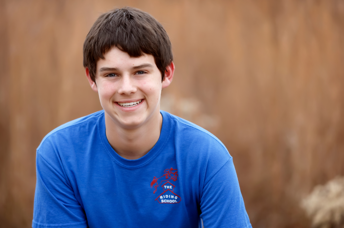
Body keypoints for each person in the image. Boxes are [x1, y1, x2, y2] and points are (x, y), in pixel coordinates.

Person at [32, 7, 252, 228]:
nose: (127, 88)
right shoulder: (60, 153)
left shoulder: (207, 156)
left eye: (140, 72)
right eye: (111, 74)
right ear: (92, 78)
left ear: (166, 73)